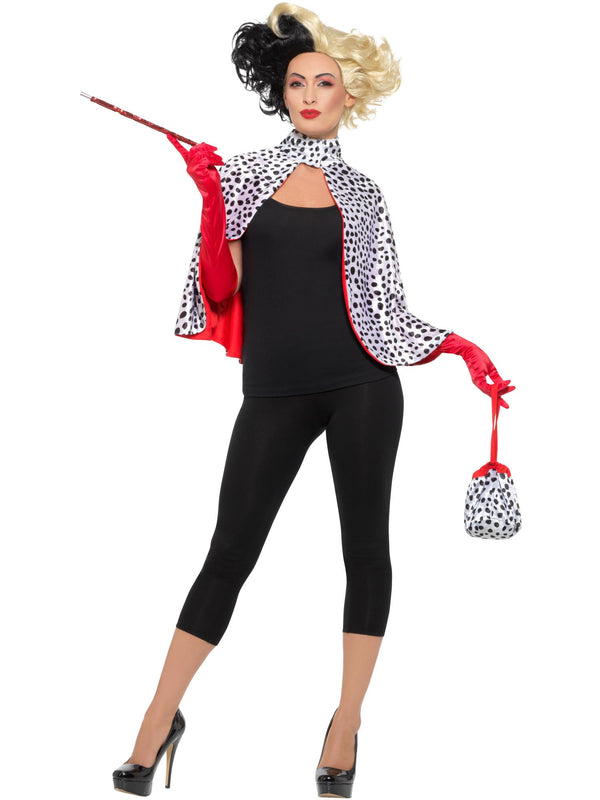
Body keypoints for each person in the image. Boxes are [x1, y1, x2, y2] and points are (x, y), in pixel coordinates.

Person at [112, 4, 516, 797]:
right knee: (229, 553)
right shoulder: (240, 177)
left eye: (323, 83)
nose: (307, 95)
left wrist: (460, 348)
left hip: (364, 385)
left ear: (348, 96)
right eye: (295, 83)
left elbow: (386, 308)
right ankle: (158, 720)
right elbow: (220, 288)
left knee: (364, 551)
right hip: (274, 390)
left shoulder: (365, 195)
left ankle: (345, 724)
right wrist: (208, 201)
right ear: (281, 92)